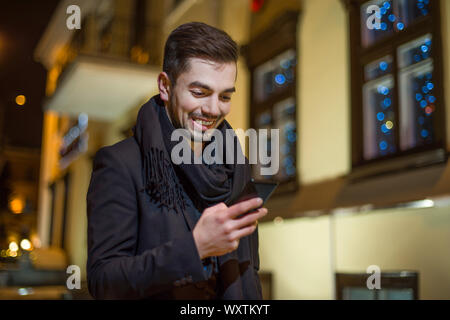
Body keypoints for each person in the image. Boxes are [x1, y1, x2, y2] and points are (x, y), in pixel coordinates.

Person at [86, 22, 268, 300]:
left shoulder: (236, 166)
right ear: (165, 86)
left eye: (225, 96)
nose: (213, 109)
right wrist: (195, 248)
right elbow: (104, 282)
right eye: (199, 92)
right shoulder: (120, 164)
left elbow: (249, 270)